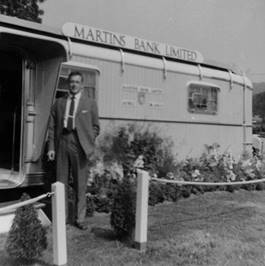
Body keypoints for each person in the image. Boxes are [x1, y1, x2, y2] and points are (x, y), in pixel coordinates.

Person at [47, 71, 100, 230]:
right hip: (63, 141)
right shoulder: (59, 103)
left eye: (77, 82)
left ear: (82, 84)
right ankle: (61, 218)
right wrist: (51, 147)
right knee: (60, 182)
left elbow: (96, 127)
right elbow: (51, 127)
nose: (74, 85)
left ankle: (80, 219)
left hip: (80, 144)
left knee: (80, 183)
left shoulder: (90, 103)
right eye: (71, 82)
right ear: (68, 84)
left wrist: (88, 140)